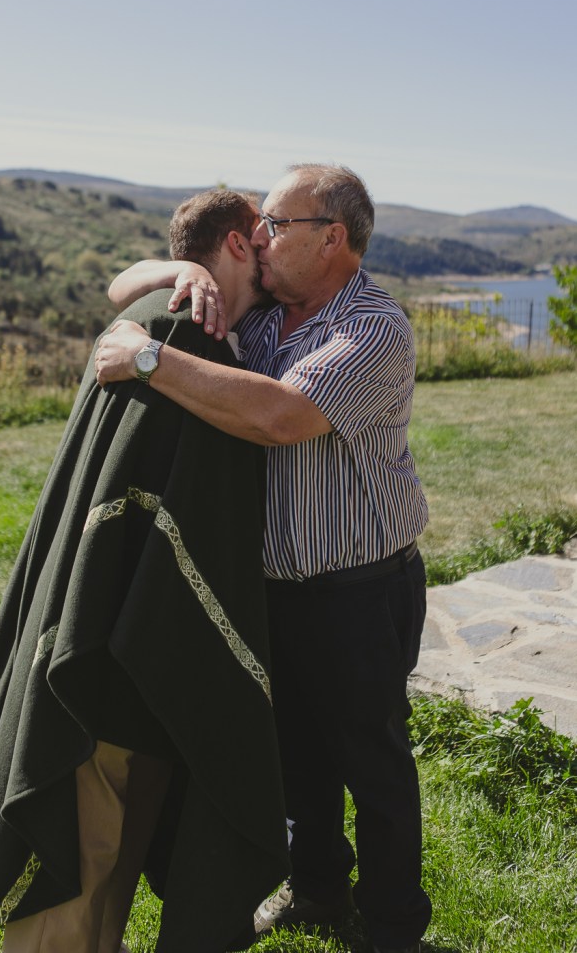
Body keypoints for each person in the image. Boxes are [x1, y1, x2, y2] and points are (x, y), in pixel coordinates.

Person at [0, 189, 289, 953]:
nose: (276, 247)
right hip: (117, 648)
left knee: (107, 865)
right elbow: (156, 510)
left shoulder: (157, 319)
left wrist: (172, 269)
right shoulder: (181, 332)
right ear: (238, 243)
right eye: (267, 232)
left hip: (123, 639)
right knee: (84, 859)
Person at [96, 163, 432, 953]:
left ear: (332, 238)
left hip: (358, 590)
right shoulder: (264, 316)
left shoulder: (373, 327)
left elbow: (281, 418)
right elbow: (118, 287)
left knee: (372, 764)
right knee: (295, 758)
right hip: (271, 586)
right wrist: (179, 272)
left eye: (276, 226)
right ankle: (317, 890)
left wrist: (148, 360)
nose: (260, 239)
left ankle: (392, 926)